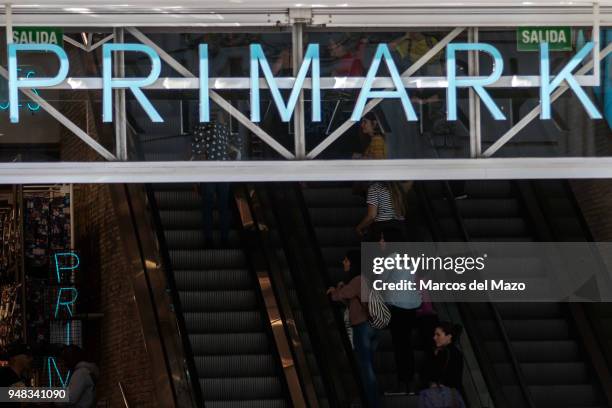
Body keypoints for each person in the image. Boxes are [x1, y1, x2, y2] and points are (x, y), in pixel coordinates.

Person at [327, 250, 380, 408]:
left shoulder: (358, 280)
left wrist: (334, 291)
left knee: (365, 368)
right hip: (374, 327)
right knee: (369, 365)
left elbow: (340, 295)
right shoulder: (369, 279)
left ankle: (372, 403)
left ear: (353, 263)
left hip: (362, 327)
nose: (344, 262)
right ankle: (372, 399)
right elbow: (353, 300)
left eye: (346, 260)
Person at [378, 228, 422, 395]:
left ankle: (402, 383)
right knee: (407, 345)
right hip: (411, 306)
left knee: (399, 346)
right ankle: (409, 382)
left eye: (383, 238)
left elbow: (380, 281)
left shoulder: (391, 257)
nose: (380, 242)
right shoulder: (410, 257)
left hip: (397, 307)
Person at [191, 114, 232, 247]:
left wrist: (195, 180)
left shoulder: (201, 126)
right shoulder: (225, 129)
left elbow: (197, 150)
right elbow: (232, 147)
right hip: (224, 171)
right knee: (223, 207)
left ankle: (208, 239)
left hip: (208, 171)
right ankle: (225, 239)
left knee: (207, 206)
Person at [419, 322, 465, 408]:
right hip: (447, 395)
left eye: (438, 335)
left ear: (449, 336)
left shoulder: (445, 353)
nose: (434, 337)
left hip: (441, 396)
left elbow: (431, 373)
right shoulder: (452, 352)